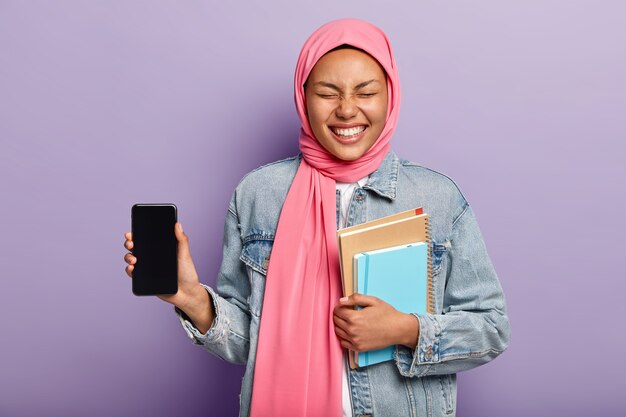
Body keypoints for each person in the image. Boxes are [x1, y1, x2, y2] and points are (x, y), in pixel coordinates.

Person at [123, 18, 510, 417]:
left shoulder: (437, 198)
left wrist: (406, 330)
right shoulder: (259, 194)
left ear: (390, 96)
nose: (346, 110)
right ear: (303, 96)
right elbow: (249, 344)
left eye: (366, 92)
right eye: (327, 93)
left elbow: (493, 328)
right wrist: (191, 298)